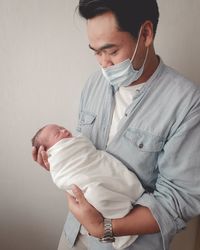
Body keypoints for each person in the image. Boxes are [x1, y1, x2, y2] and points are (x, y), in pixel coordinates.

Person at [32, 0, 200, 249]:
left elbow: (179, 200)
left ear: (145, 34)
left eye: (111, 51)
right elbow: (84, 153)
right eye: (96, 52)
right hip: (72, 235)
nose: (103, 63)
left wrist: (103, 228)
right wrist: (63, 161)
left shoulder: (186, 103)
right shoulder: (94, 85)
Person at [32, 124, 144, 249]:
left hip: (98, 169)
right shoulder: (57, 156)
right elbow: (63, 176)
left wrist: (100, 228)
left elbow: (87, 148)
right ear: (49, 150)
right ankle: (120, 215)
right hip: (74, 229)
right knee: (98, 197)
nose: (64, 130)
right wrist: (55, 165)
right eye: (58, 133)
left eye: (62, 127)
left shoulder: (76, 141)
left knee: (113, 179)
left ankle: (125, 205)